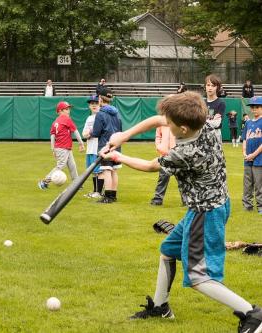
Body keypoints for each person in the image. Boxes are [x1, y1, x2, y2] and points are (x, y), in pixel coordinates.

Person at [101, 91, 262, 333]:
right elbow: (159, 120)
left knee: (199, 278)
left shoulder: (186, 153)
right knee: (168, 250)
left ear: (183, 129)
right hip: (212, 205)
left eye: (172, 124)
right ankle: (160, 306)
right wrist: (124, 135)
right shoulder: (205, 125)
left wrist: (117, 155)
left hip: (205, 213)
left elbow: (149, 166)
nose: (167, 125)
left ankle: (253, 314)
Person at [38, 101, 85, 190]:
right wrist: (81, 143)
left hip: (62, 147)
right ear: (60, 111)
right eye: (66, 109)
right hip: (63, 148)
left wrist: (53, 149)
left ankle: (77, 184)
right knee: (60, 166)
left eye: (69, 109)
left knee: (72, 165)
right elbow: (75, 131)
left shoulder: (55, 122)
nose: (68, 111)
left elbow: (52, 136)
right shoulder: (66, 119)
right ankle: (44, 181)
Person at [91, 87, 122, 203]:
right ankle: (113, 195)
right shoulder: (117, 113)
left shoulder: (100, 114)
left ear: (100, 98)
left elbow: (96, 132)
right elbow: (120, 129)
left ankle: (108, 197)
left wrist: (90, 132)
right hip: (117, 145)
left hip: (105, 145)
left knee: (106, 171)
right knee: (114, 170)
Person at [149, 126, 185, 206]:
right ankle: (158, 199)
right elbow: (158, 136)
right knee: (162, 178)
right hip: (164, 155)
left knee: (182, 179)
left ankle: (185, 200)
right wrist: (159, 147)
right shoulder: (161, 122)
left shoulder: (178, 119)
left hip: (177, 155)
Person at [241, 96, 262, 214]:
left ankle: (260, 206)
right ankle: (247, 205)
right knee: (247, 183)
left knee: (259, 183)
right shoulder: (248, 122)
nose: (254, 109)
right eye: (252, 107)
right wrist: (244, 152)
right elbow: (244, 139)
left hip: (259, 158)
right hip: (248, 157)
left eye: (257, 107)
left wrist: (253, 154)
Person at [82, 95, 103, 199]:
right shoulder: (89, 118)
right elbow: (84, 133)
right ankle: (95, 191)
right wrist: (87, 134)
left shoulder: (101, 116)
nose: (94, 105)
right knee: (93, 171)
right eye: (91, 104)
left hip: (97, 148)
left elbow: (98, 132)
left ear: (100, 104)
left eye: (96, 103)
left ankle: (99, 192)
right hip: (90, 148)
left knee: (99, 171)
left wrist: (90, 133)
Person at [205, 74, 226, 143]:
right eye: (208, 85)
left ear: (217, 87)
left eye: (213, 86)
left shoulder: (220, 103)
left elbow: (216, 123)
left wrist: (202, 122)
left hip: (215, 135)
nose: (210, 88)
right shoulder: (201, 102)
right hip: (202, 135)